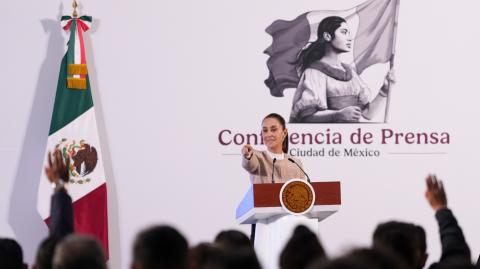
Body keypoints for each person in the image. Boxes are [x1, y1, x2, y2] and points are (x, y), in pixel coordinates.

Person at [290, 16, 394, 123]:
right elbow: (307, 117)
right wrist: (337, 115)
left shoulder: (350, 73)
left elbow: (367, 114)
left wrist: (384, 90)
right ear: (327, 36)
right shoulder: (314, 72)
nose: (349, 38)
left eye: (349, 33)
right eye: (344, 32)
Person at [241, 113, 305, 184]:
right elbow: (250, 165)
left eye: (273, 130)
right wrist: (248, 156)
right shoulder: (256, 156)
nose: (268, 134)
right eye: (265, 131)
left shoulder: (296, 163)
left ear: (284, 132)